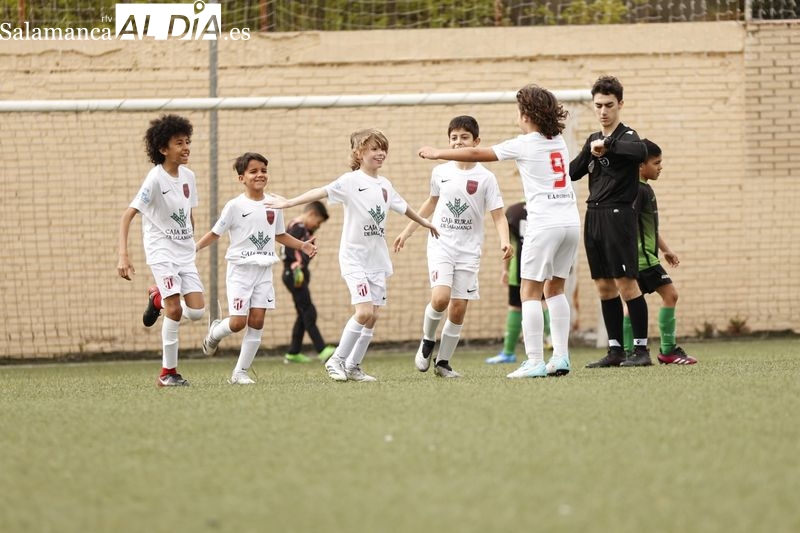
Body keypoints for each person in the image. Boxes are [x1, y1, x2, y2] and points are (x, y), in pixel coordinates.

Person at [419, 84, 580, 379]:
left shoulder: (524, 143)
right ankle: (560, 357)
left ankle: (534, 361)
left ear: (526, 115)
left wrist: (436, 153)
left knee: (529, 292)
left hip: (544, 224)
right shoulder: (557, 140)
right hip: (570, 222)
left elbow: (478, 152)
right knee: (555, 290)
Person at [265, 128, 439, 382]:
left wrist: (424, 222)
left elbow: (404, 207)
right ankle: (336, 360)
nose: (380, 153)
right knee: (364, 311)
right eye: (373, 149)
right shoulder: (349, 181)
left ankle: (354, 366)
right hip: (353, 257)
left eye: (383, 149)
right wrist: (290, 202)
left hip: (377, 259)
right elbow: (320, 191)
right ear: (359, 153)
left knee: (373, 316)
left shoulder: (385, 185)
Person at [394, 115, 512, 378]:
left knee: (458, 308)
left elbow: (497, 215)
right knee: (440, 298)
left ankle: (443, 362)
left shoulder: (486, 178)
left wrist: (505, 240)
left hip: (469, 250)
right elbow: (430, 203)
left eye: (464, 138)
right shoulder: (441, 172)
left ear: (476, 142)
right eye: (454, 138)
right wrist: (407, 231)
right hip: (441, 244)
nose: (458, 143)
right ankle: (427, 340)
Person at [195, 152, 318, 384]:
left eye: (263, 170)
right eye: (253, 171)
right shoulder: (234, 206)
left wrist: (302, 245)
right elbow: (215, 233)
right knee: (238, 322)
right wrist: (195, 248)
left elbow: (280, 235)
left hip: (264, 270)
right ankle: (214, 333)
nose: (260, 175)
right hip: (241, 270)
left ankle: (240, 372)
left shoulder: (274, 204)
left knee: (258, 320)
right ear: (242, 178)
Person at [569, 75, 652, 368]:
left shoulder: (628, 137)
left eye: (609, 105)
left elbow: (640, 152)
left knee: (626, 284)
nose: (603, 111)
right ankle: (615, 350)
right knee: (604, 286)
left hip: (619, 216)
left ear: (620, 105)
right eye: (598, 105)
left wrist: (609, 146)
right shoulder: (593, 139)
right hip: (594, 216)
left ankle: (641, 350)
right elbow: (573, 172)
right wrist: (589, 150)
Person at [117, 114, 205, 387]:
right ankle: (168, 373)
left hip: (184, 252)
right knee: (175, 310)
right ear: (163, 148)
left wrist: (190, 240)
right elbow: (127, 215)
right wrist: (123, 255)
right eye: (179, 143)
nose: (186, 147)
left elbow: (188, 213)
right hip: (161, 251)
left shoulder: (189, 176)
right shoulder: (154, 179)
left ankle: (157, 299)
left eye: (187, 141)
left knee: (198, 311)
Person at [622, 140, 697, 364]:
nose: (660, 167)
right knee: (670, 295)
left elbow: (648, 228)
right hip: (644, 259)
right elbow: (628, 224)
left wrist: (665, 249)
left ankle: (628, 351)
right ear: (640, 165)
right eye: (656, 163)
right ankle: (668, 350)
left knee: (631, 302)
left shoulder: (641, 188)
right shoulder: (638, 190)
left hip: (642, 257)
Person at [485, 201, 553, 364]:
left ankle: (508, 352)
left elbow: (510, 244)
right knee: (544, 302)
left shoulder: (514, 211)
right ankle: (559, 347)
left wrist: (506, 269)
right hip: (543, 263)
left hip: (520, 266)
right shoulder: (546, 206)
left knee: (516, 306)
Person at [281, 201, 336, 364]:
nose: (317, 227)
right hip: (294, 274)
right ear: (311, 214)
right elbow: (290, 249)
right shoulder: (298, 228)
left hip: (296, 273)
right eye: (318, 222)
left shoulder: (303, 228)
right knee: (309, 311)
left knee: (303, 313)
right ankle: (322, 349)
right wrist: (297, 266)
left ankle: (293, 352)